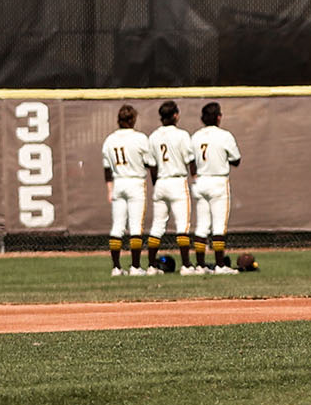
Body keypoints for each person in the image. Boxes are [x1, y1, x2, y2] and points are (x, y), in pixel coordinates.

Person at [102, 104, 158, 276]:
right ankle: (135, 266)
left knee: (117, 227)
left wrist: (109, 189)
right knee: (135, 226)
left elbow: (106, 169)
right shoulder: (140, 138)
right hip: (135, 182)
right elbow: (152, 164)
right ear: (133, 119)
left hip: (118, 182)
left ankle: (116, 268)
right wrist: (156, 183)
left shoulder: (110, 140)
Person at [189, 102, 243, 274]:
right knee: (219, 226)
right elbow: (236, 160)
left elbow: (190, 159)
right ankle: (220, 265)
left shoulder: (196, 136)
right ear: (219, 117)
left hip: (201, 180)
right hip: (218, 181)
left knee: (201, 225)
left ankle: (200, 265)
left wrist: (195, 175)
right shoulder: (225, 135)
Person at [146, 100, 198, 274]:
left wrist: (157, 186)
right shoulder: (182, 135)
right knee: (183, 225)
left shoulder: (153, 136)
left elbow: (151, 166)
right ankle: (186, 265)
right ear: (175, 115)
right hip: (177, 181)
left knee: (157, 226)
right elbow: (190, 161)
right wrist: (195, 179)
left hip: (160, 181)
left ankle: (152, 266)